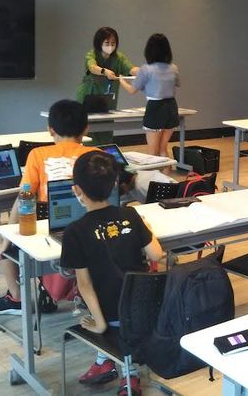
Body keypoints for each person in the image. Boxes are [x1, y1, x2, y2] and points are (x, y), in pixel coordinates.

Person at [60, 151, 163, 396]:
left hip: (111, 314)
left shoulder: (75, 231)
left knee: (95, 304)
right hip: (143, 307)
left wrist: (100, 323)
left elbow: (84, 285)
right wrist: (147, 229)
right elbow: (157, 255)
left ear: (77, 190)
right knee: (117, 291)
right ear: (114, 185)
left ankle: (129, 374)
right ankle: (104, 361)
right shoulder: (131, 215)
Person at [0, 100, 97, 316]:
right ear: (86, 129)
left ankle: (16, 298)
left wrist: (8, 236)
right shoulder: (98, 154)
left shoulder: (38, 155)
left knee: (1, 234)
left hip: (51, 228)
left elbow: (25, 197)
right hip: (89, 227)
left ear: (50, 130)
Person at [119, 33, 180, 158]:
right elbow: (176, 84)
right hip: (172, 107)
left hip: (155, 108)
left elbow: (132, 90)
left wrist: (121, 80)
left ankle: (155, 172)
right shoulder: (174, 68)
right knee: (163, 148)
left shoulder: (146, 69)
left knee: (152, 151)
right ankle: (167, 171)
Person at [76, 26, 138, 144]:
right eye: (107, 43)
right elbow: (92, 67)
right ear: (99, 43)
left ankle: (105, 152)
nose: (110, 46)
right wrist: (104, 71)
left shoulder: (119, 57)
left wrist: (146, 71)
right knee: (87, 129)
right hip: (89, 96)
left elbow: (131, 69)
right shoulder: (92, 54)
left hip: (107, 99)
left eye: (113, 43)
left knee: (106, 127)